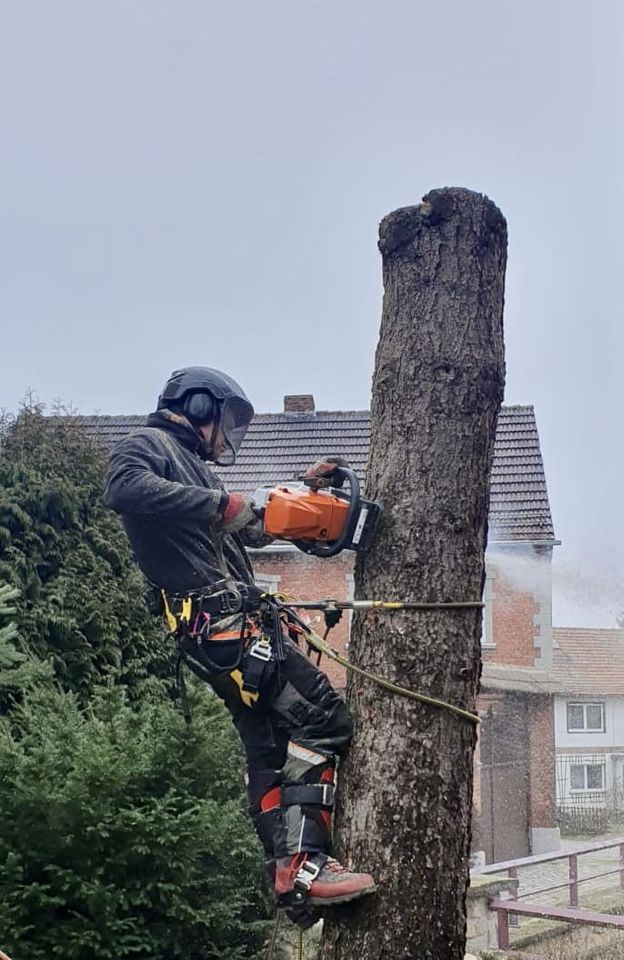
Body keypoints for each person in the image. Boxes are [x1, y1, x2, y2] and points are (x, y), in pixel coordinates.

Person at [104, 366, 376, 921]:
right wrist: (223, 505)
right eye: (225, 420)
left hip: (223, 635)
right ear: (198, 405)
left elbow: (250, 525)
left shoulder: (195, 472)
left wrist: (301, 502)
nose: (227, 435)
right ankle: (305, 864)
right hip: (222, 629)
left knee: (270, 749)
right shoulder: (146, 445)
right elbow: (123, 489)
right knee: (322, 718)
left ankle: (289, 881)